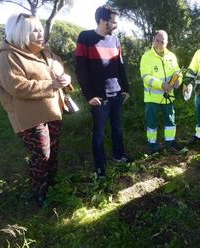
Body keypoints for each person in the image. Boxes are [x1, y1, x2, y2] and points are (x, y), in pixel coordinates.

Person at [0, 13, 72, 206]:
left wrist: (65, 79)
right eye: (33, 30)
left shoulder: (45, 53)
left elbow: (60, 70)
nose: (40, 33)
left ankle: (52, 187)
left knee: (52, 152)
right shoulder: (8, 56)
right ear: (20, 33)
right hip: (28, 117)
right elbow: (17, 87)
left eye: (40, 29)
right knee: (41, 156)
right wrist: (51, 85)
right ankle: (40, 194)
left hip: (52, 111)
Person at [75, 5, 131, 178]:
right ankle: (100, 168)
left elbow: (120, 66)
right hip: (99, 97)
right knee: (98, 133)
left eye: (115, 22)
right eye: (112, 22)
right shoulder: (85, 38)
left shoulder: (115, 40)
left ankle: (118, 155)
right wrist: (89, 96)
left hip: (117, 94)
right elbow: (80, 70)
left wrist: (126, 88)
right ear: (102, 20)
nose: (115, 25)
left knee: (118, 128)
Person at [140, 30, 184, 154]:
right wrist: (161, 85)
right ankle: (152, 146)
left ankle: (170, 144)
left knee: (170, 121)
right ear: (153, 40)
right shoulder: (146, 56)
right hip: (152, 97)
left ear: (167, 42)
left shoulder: (171, 56)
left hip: (168, 96)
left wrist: (178, 81)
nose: (159, 44)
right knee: (152, 123)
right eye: (157, 41)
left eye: (162, 42)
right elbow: (146, 77)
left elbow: (177, 72)